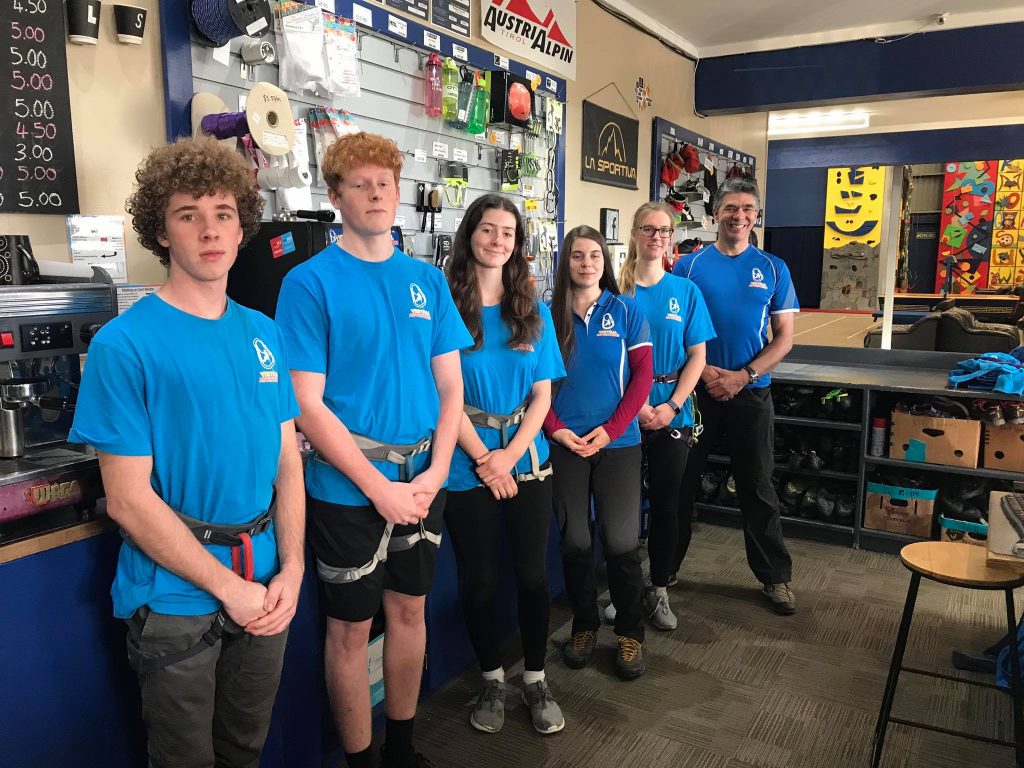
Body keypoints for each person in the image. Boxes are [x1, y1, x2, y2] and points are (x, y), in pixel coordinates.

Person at [68, 137, 305, 768]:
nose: (209, 230)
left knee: (244, 751)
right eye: (188, 214)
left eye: (223, 213)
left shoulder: (264, 332)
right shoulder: (125, 345)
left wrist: (293, 569)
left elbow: (287, 462)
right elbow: (125, 499)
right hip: (175, 600)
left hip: (267, 585)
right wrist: (229, 588)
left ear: (241, 226)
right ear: (161, 231)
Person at [275, 132, 472, 768]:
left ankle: (403, 749)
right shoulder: (308, 283)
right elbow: (306, 402)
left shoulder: (427, 281)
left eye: (385, 182)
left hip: (422, 484)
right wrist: (377, 487)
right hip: (345, 489)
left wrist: (439, 470)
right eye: (360, 184)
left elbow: (450, 388)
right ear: (335, 196)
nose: (376, 193)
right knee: (350, 632)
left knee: (410, 614)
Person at [444, 194, 567, 735]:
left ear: (517, 245)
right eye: (488, 229)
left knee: (532, 577)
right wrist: (484, 460)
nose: (498, 240)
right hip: (462, 462)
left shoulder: (531, 310)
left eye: (508, 233)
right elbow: (441, 391)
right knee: (479, 582)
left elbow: (542, 397)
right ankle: (492, 679)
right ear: (470, 234)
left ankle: (535, 678)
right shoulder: (445, 307)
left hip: (527, 462)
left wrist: (510, 457)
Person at [672, 175, 799, 615]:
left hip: (751, 393)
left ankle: (775, 578)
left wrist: (742, 376)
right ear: (715, 214)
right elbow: (676, 329)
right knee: (680, 484)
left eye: (747, 209)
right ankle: (664, 573)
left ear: (756, 216)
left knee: (758, 488)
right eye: (730, 208)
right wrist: (705, 372)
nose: (739, 216)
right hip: (696, 390)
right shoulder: (687, 266)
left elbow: (783, 340)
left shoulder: (774, 268)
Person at [545, 225, 653, 680]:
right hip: (566, 445)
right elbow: (536, 385)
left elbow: (642, 379)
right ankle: (585, 625)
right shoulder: (546, 316)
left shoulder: (626, 311)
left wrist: (611, 430)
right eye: (577, 256)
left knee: (622, 543)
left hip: (619, 444)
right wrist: (556, 430)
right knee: (575, 543)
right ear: (565, 262)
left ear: (605, 262)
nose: (586, 263)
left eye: (594, 255)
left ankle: (630, 631)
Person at [619, 201, 715, 631]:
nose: (656, 237)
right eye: (648, 228)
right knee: (619, 510)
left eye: (663, 230)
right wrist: (637, 406)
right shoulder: (618, 290)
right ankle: (623, 594)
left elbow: (698, 357)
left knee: (666, 505)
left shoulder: (686, 292)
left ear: (671, 237)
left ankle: (658, 590)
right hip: (624, 411)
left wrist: (672, 405)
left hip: (672, 412)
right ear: (635, 234)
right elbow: (609, 358)